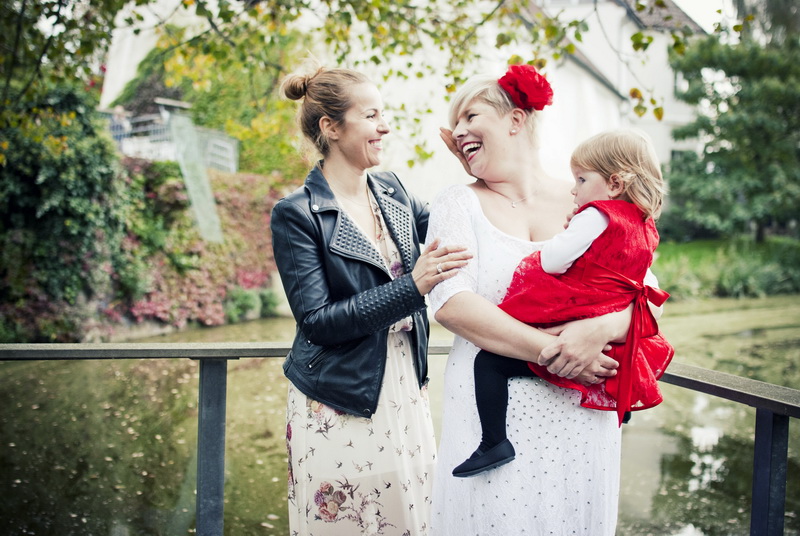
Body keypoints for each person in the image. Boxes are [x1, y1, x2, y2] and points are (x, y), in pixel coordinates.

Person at [427, 64, 660, 535]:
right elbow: (452, 303)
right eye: (455, 124)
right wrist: (556, 352)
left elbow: (648, 297)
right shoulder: (457, 203)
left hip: (582, 420)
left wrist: (600, 330)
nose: (459, 131)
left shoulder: (591, 200)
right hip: (493, 421)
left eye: (471, 116)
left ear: (516, 119)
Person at [270, 64, 471, 536]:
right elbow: (318, 322)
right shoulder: (296, 214)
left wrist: (474, 167)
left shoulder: (393, 190)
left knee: (413, 520)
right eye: (372, 115)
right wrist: (412, 287)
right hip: (339, 400)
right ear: (331, 127)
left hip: (405, 389)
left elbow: (458, 229)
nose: (385, 126)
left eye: (384, 114)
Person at [452, 128, 675, 479]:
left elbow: (553, 261)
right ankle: (620, 401)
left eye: (582, 179)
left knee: (490, 361)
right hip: (607, 319)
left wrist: (569, 235)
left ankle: (493, 442)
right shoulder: (646, 227)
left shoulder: (596, 215)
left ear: (614, 183)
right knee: (611, 359)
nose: (574, 190)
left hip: (571, 308)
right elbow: (644, 285)